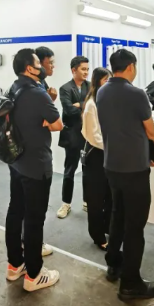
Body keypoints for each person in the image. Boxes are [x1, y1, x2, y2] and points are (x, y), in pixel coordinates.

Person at [97, 48, 154, 301]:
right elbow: (151, 131)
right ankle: (131, 283)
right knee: (135, 226)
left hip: (112, 165)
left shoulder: (102, 91)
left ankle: (113, 264)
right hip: (135, 168)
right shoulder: (136, 93)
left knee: (117, 214)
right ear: (131, 66)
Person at [5, 48, 63, 292]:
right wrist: (47, 115)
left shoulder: (14, 88)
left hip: (16, 161)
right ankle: (34, 274)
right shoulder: (38, 93)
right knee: (34, 219)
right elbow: (57, 124)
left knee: (16, 211)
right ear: (30, 68)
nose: (43, 65)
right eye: (39, 62)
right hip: (36, 164)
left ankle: (14, 265)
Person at [81, 66, 113, 249]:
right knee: (96, 198)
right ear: (97, 82)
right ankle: (98, 235)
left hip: (108, 153)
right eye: (105, 80)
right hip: (96, 155)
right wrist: (114, 147)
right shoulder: (91, 105)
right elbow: (93, 136)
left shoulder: (106, 100)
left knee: (109, 195)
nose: (109, 84)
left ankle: (108, 226)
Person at [56, 55, 90, 219]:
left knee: (88, 170)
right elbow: (69, 110)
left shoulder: (90, 86)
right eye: (83, 69)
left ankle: (87, 201)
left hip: (88, 134)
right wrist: (85, 106)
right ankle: (66, 204)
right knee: (69, 170)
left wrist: (80, 105)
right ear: (73, 70)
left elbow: (95, 104)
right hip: (72, 135)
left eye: (87, 69)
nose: (86, 72)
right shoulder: (65, 88)